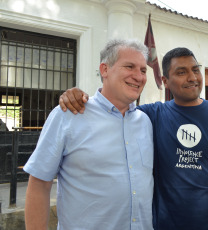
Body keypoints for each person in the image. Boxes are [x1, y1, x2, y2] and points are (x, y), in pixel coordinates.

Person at [60, 47, 208, 229]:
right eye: (181, 72)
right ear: (165, 82)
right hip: (167, 223)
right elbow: (115, 108)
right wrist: (78, 95)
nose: (192, 77)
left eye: (195, 69)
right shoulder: (151, 115)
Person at [24, 39, 155, 230]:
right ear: (105, 69)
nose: (138, 76)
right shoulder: (69, 115)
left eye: (143, 70)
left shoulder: (146, 121)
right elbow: (39, 183)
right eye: (129, 67)